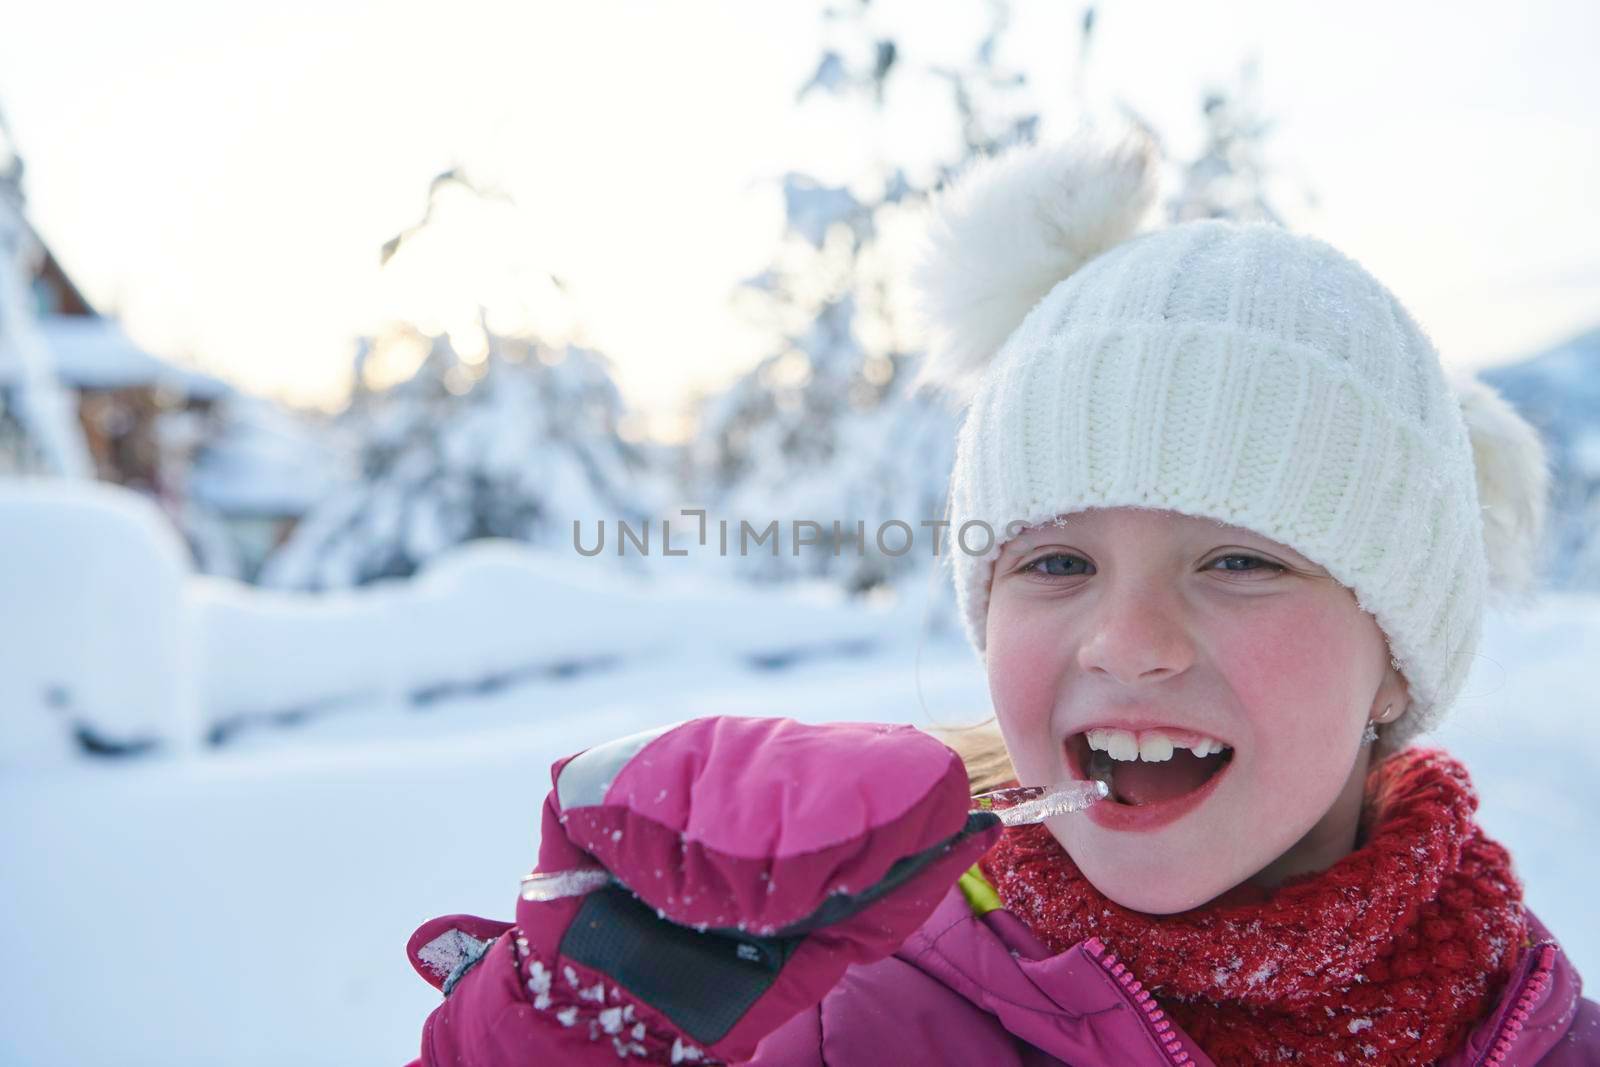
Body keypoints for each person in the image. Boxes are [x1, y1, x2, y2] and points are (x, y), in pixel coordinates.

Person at [400, 126, 1597, 1065]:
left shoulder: (1540, 1035)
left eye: (1241, 558)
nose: (1128, 642)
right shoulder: (828, 1019)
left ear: (1398, 649)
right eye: (1056, 562)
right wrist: (565, 1034)